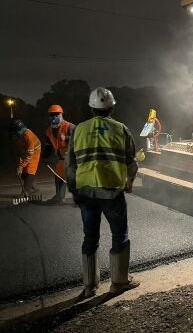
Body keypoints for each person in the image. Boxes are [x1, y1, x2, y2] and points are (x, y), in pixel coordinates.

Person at [65, 87, 139, 297]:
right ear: (112, 108)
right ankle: (119, 282)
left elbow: (70, 165)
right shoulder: (121, 129)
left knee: (90, 237)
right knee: (120, 235)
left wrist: (74, 189)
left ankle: (89, 287)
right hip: (112, 192)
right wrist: (129, 181)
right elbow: (131, 162)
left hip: (86, 193)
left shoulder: (78, 130)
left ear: (91, 109)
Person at [42, 105, 75, 205]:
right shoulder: (49, 131)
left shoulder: (70, 126)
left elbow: (79, 140)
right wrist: (44, 157)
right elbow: (48, 146)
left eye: (56, 115)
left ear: (61, 115)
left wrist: (67, 138)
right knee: (59, 178)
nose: (54, 117)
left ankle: (80, 199)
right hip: (61, 159)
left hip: (73, 158)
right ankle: (59, 197)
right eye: (51, 115)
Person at [9, 119, 41, 196]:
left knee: (30, 170)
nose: (19, 132)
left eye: (20, 130)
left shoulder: (28, 136)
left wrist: (22, 165)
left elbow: (29, 155)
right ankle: (35, 188)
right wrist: (20, 167)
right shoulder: (19, 138)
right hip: (27, 151)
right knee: (23, 173)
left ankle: (26, 191)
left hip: (35, 150)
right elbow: (22, 154)